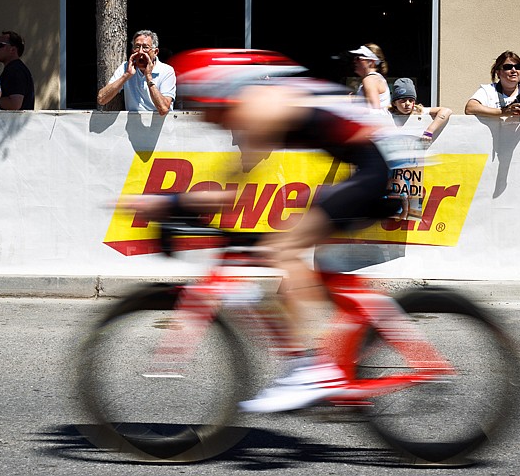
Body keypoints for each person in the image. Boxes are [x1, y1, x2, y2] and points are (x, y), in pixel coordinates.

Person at [123, 48, 403, 413]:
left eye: (203, 105)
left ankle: (314, 371)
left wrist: (170, 205)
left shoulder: (258, 109)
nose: (204, 117)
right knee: (285, 251)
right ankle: (357, 324)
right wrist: (175, 208)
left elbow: (232, 192)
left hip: (375, 168)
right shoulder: (255, 105)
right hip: (363, 162)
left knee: (283, 248)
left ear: (218, 92)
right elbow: (229, 193)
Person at [97, 30, 176, 115]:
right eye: (137, 47)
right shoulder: (126, 67)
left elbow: (163, 109)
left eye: (145, 47)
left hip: (160, 125)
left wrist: (148, 77)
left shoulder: (166, 71)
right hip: (133, 125)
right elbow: (101, 99)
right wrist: (127, 75)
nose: (140, 52)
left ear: (155, 52)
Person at [389, 77, 452, 143]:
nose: (407, 104)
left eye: (411, 100)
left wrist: (429, 131)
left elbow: (447, 111)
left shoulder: (419, 111)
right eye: (403, 101)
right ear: (394, 103)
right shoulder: (387, 113)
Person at [0, 30, 35, 110]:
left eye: (0, 45)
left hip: (15, 122)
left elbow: (14, 104)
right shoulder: (13, 69)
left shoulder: (16, 71)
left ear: (13, 50)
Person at [349, 43, 391, 110]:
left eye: (358, 58)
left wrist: (352, 106)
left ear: (371, 61)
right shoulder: (374, 78)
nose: (354, 61)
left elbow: (374, 112)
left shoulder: (369, 80)